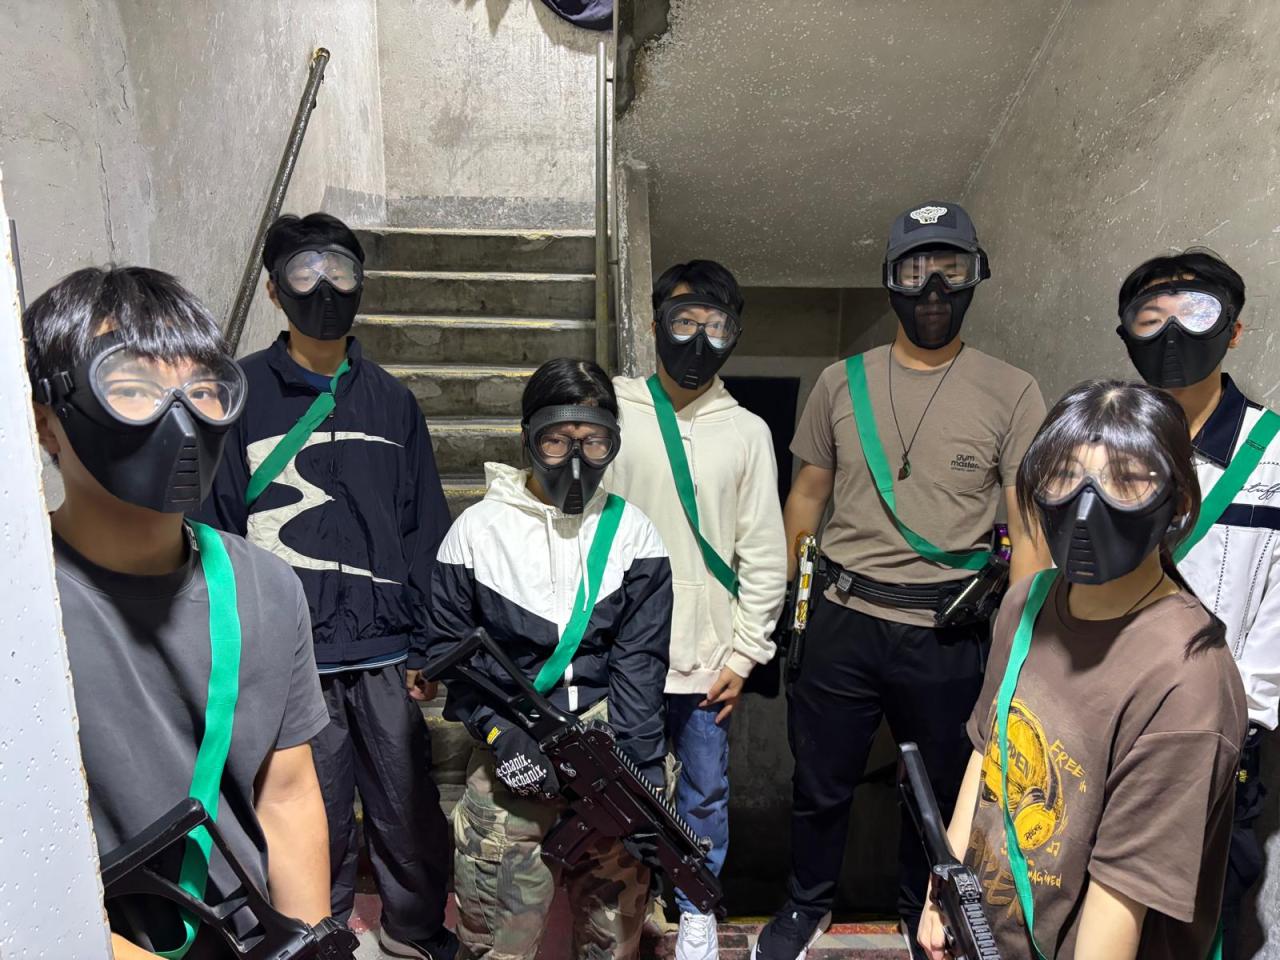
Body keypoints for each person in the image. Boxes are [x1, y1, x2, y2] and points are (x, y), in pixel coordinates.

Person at [756, 201, 1049, 960]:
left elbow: (1028, 531)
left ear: (976, 276)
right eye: (917, 270)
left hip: (949, 631)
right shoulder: (838, 383)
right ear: (890, 280)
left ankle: (927, 917)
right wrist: (785, 607)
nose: (934, 289)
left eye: (952, 269)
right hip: (843, 617)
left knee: (940, 794)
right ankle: (807, 903)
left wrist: (1019, 647)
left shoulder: (1013, 390)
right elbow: (806, 498)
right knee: (821, 780)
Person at [25, 266, 331, 959]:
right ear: (47, 421)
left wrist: (309, 947)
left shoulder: (266, 586)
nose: (180, 416)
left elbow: (285, 795)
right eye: (132, 388)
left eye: (202, 388)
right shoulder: (22, 604)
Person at [194, 212, 456, 960]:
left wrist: (429, 646)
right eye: (304, 274)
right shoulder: (237, 395)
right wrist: (234, 644)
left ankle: (413, 930)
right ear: (274, 291)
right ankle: (323, 933)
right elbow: (215, 525)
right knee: (313, 811)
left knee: (408, 807)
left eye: (340, 272)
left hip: (385, 650)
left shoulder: (392, 402)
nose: (325, 290)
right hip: (290, 656)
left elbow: (424, 528)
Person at [919, 379, 1248, 959]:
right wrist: (943, 894)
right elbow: (988, 755)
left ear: (1176, 502)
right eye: (1065, 476)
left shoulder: (1186, 682)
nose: (1086, 505)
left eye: (1127, 480)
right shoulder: (1027, 603)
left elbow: (1121, 901)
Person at [425, 358, 673, 960]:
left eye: (595, 442)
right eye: (557, 441)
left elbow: (640, 666)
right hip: (510, 769)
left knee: (614, 942)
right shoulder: (476, 533)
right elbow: (449, 654)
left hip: (608, 758)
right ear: (528, 438)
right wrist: (500, 734)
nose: (576, 460)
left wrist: (642, 781)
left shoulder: (635, 535)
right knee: (496, 947)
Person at [606, 259, 786, 960]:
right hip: (624, 650)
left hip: (709, 656)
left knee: (704, 793)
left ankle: (697, 909)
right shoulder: (615, 409)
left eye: (717, 326)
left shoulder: (747, 431)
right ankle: (627, 906)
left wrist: (746, 653)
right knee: (625, 788)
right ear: (656, 324)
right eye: (684, 321)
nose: (699, 339)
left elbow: (762, 549)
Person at [1116, 248, 1280, 959]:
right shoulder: (1106, 439)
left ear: (1233, 330)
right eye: (1151, 317)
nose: (1173, 333)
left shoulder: (1272, 455)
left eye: (1196, 313)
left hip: (1218, 737)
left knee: (1197, 914)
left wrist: (1240, 722)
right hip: (1109, 721)